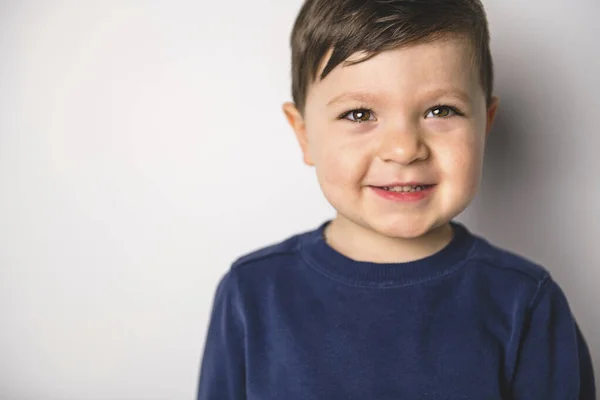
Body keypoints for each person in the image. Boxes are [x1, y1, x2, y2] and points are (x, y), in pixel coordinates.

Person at [196, 0, 596, 398]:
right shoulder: (251, 295)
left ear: (484, 126)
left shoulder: (526, 303)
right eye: (359, 114)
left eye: (441, 110)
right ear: (304, 135)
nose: (404, 149)